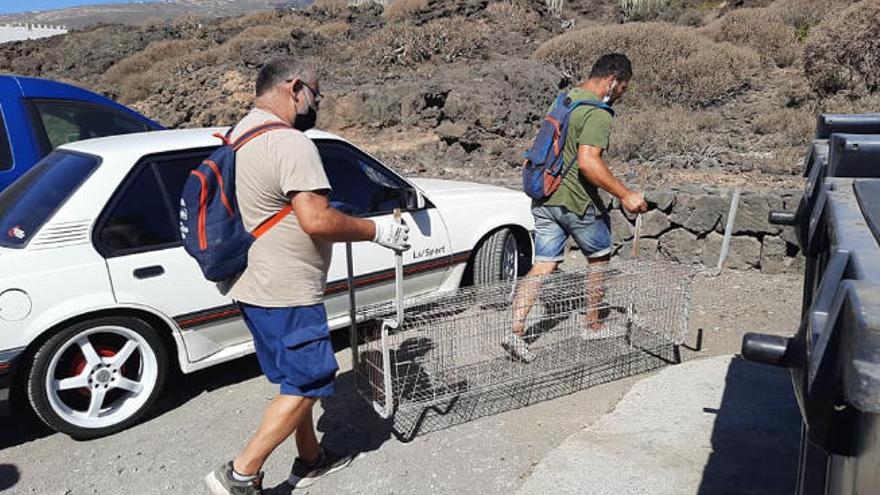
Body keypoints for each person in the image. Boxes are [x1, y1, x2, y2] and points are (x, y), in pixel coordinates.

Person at [205, 57, 410, 495]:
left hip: (252, 283)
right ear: (295, 88)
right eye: (315, 94)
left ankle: (311, 458)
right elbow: (315, 220)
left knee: (291, 377)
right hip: (286, 288)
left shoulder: (242, 131)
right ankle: (241, 473)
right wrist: (378, 230)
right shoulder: (291, 143)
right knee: (310, 379)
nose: (316, 103)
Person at [504, 53, 648, 362]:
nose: (621, 95)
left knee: (543, 263)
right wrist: (625, 194)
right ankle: (592, 324)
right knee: (599, 257)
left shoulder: (564, 100)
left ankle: (514, 331)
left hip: (544, 196)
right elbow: (588, 162)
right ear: (612, 81)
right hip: (576, 202)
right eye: (623, 88)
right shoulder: (598, 113)